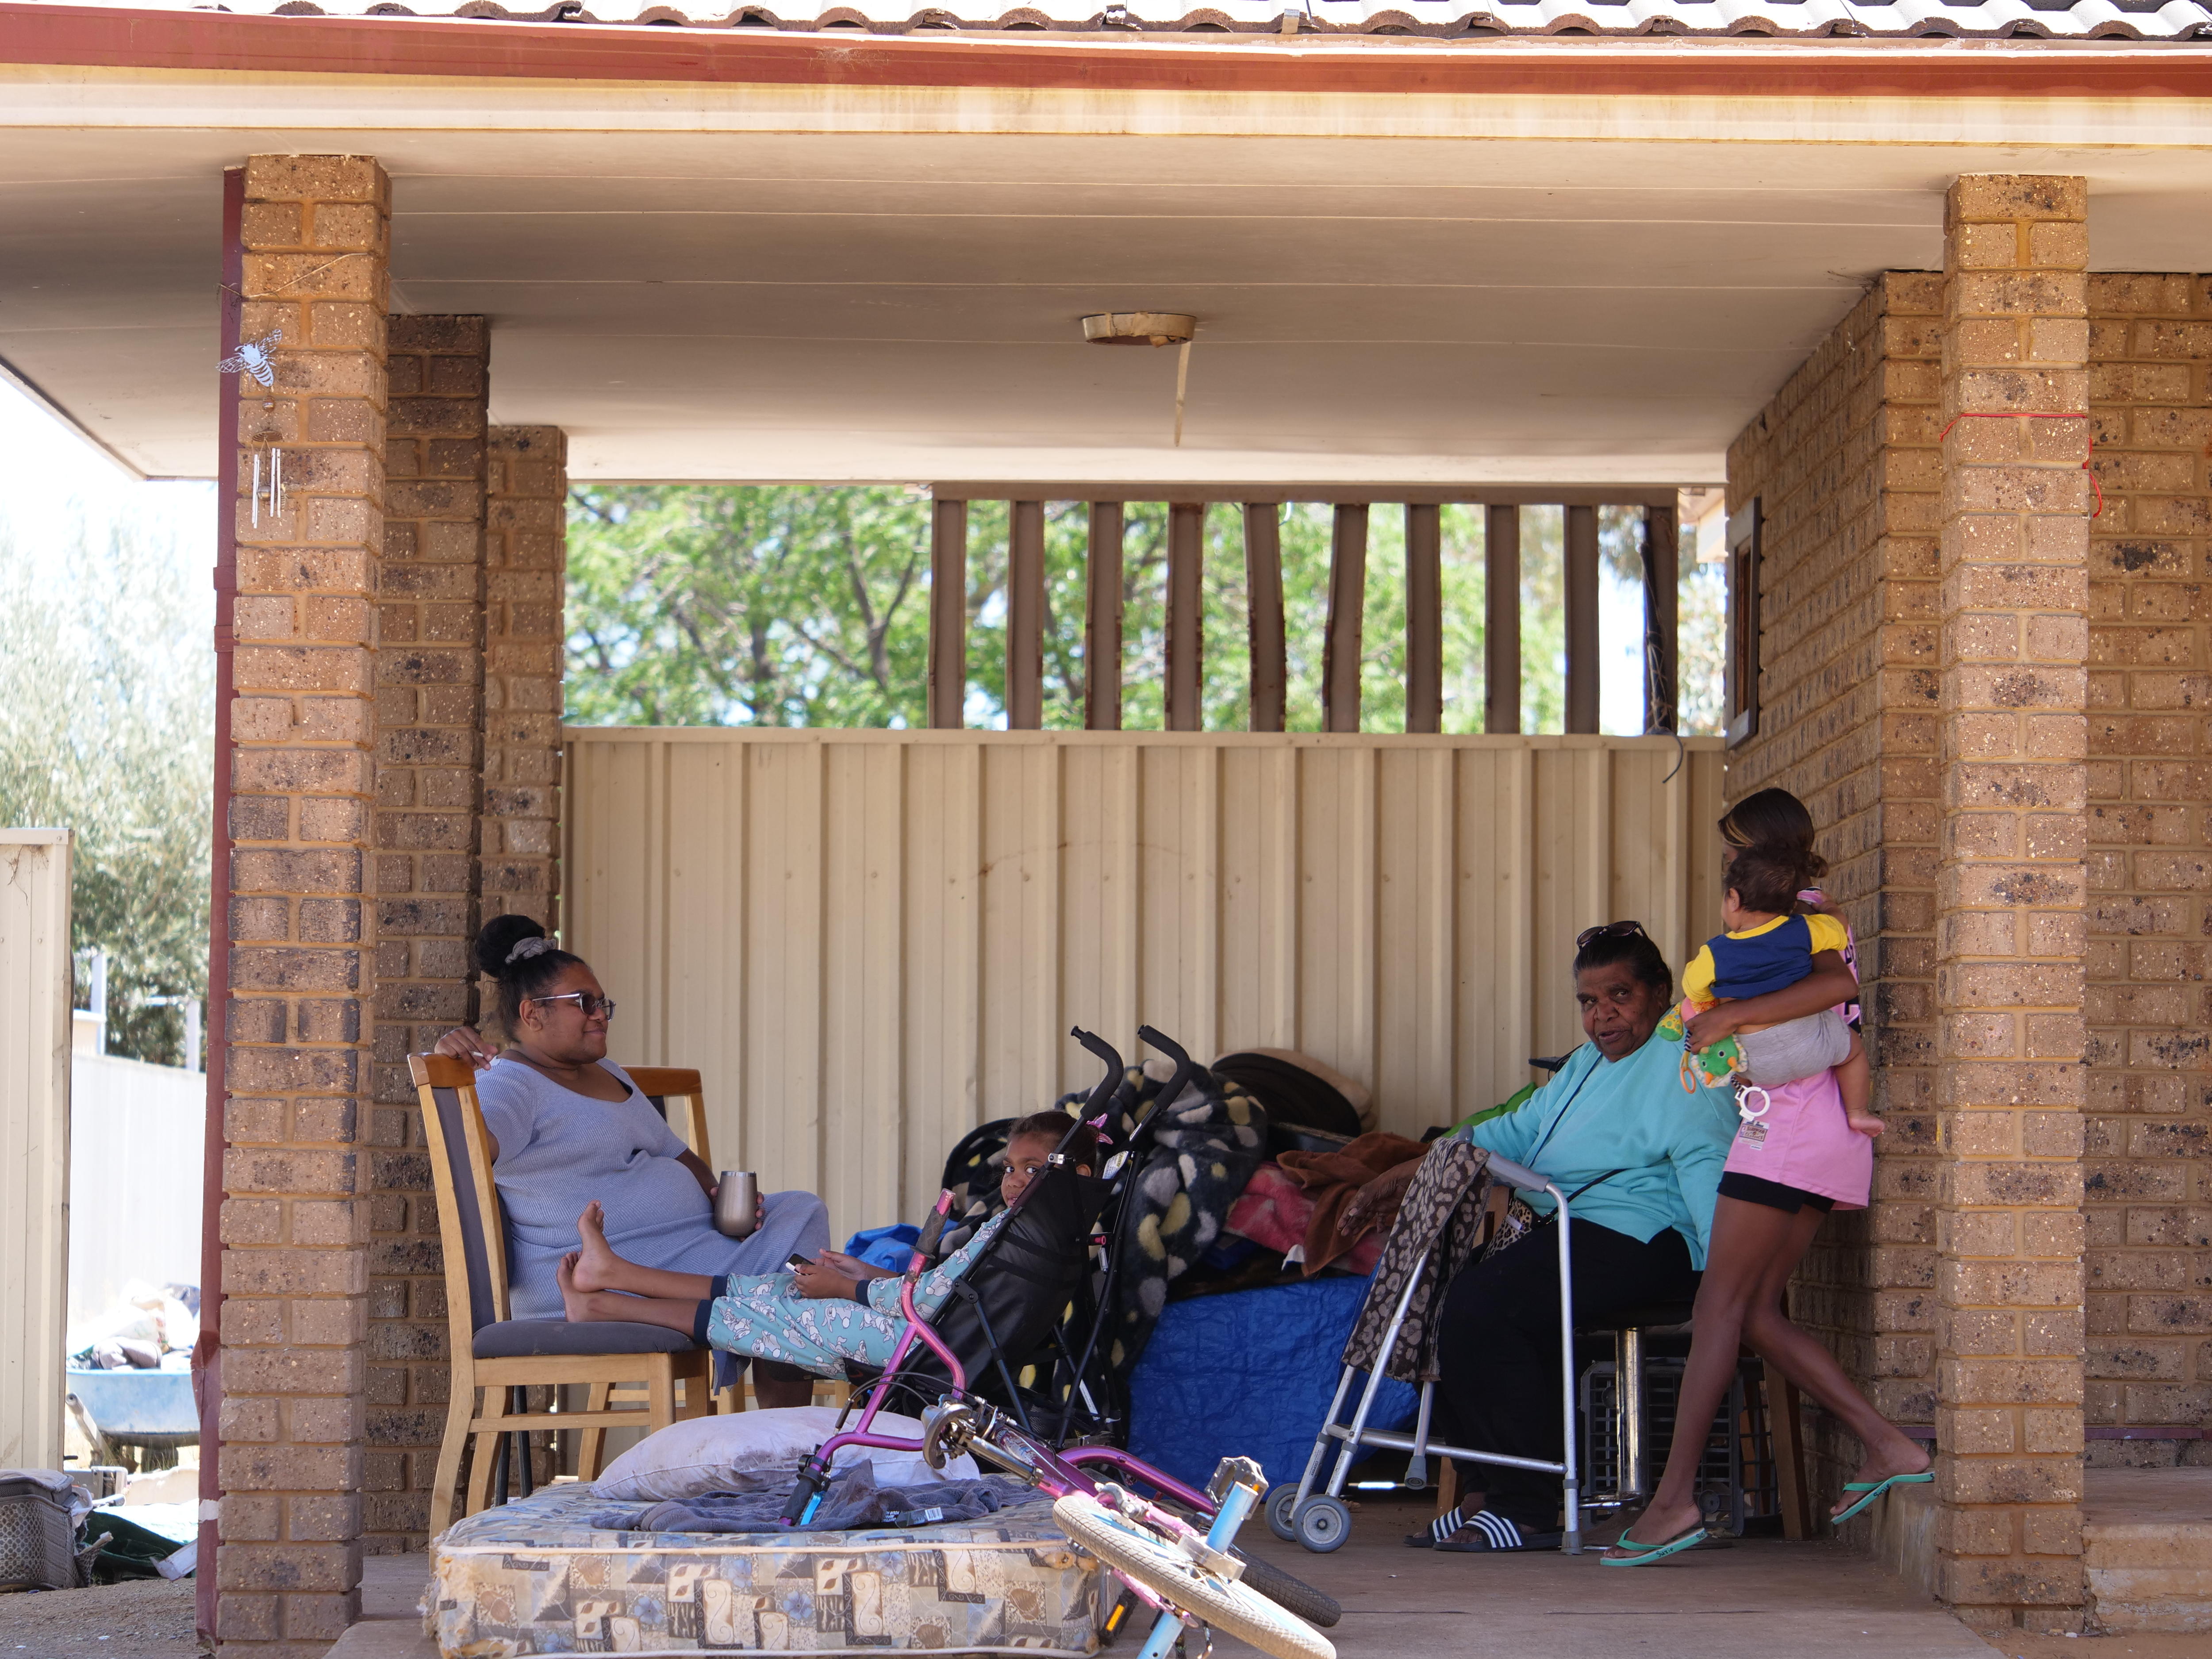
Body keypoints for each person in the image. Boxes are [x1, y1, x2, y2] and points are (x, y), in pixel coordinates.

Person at [1605, 791, 1929, 1565]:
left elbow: (1836, 991)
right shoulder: (1799, 920)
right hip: (1817, 1137)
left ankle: (1676, 1499)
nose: (1728, 868)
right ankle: (1889, 1446)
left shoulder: (1810, 926)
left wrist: (1720, 1021)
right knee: (1750, 1317)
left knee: (1716, 1308)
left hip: (1787, 1134)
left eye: (1735, 853)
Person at [1405, 923, 1740, 1552]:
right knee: (1439, 1296)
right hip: (1579, 1226)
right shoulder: (1587, 1063)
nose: (1602, 1015)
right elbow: (1515, 1130)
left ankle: (1529, 1507)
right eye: (1589, 1002)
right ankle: (1484, 1487)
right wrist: (1421, 1162)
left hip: (1651, 1236)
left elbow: (1706, 1159)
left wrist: (1722, 1276)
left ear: (1660, 992)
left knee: (1487, 1306)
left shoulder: (1681, 1060)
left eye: (1620, 995)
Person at [438, 914, 832, 1408]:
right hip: (589, 1263)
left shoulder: (605, 1071)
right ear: (532, 1014)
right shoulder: (511, 1083)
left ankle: (783, 1434)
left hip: (681, 1248)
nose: (600, 1014)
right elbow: (471, 1149)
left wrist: (720, 1204)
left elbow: (677, 1154)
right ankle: (785, 1435)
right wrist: (453, 1074)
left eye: (602, 1003)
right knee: (789, 1285)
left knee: (798, 1212)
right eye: (584, 1004)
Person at [553, 1111, 1098, 1375]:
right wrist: (867, 1277)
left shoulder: (1018, 1234)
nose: (1012, 1179)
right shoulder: (1027, 1231)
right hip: (925, 1328)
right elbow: (949, 1294)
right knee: (779, 1285)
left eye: (1032, 1168)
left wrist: (846, 1288)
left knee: (774, 1311)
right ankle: (613, 1278)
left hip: (919, 1348)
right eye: (1010, 1167)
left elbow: (936, 1302)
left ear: (1074, 1172)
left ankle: (606, 1299)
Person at [1680, 844, 1882, 1138]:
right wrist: (1829, 908)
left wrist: (1708, 1000)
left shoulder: (1714, 952)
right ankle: (1858, 1113)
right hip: (1812, 1043)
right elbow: (1839, 931)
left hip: (1754, 1062)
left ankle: (1748, 1116)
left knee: (1735, 1067)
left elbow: (1693, 988)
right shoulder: (1804, 929)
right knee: (1853, 1052)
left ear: (1733, 899)